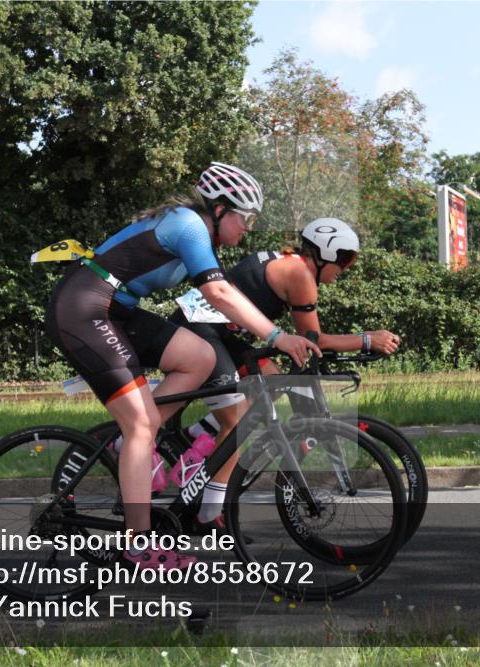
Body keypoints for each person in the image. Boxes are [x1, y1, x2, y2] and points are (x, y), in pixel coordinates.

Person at [44, 162, 321, 570]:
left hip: (115, 311)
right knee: (140, 425)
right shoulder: (188, 225)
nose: (247, 229)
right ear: (222, 210)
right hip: (84, 310)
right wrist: (277, 337)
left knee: (199, 357)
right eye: (245, 219)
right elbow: (220, 293)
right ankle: (137, 544)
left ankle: (134, 445)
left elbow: (215, 304)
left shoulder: (200, 237)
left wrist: (252, 345)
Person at [168, 218, 401, 531]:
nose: (345, 268)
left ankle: (197, 435)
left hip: (215, 332)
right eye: (344, 260)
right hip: (201, 333)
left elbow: (300, 340)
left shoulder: (288, 262)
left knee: (274, 379)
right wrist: (368, 339)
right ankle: (207, 516)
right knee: (237, 424)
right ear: (324, 254)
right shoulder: (300, 274)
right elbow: (315, 337)